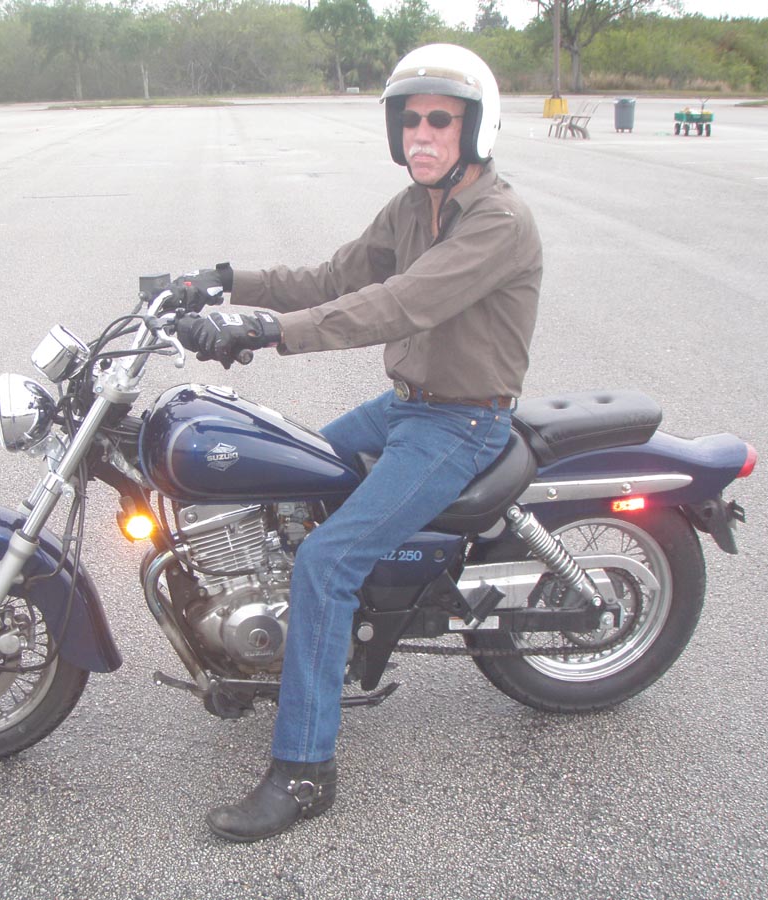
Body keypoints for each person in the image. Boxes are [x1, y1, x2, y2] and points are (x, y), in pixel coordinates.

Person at [167, 43, 542, 842]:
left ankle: (305, 771)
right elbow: (334, 278)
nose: (422, 134)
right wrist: (226, 282)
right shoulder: (412, 206)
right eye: (411, 120)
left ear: (476, 128)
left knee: (326, 560)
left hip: (462, 422)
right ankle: (271, 657)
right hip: (404, 406)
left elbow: (398, 304)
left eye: (440, 120)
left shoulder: (498, 221)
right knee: (280, 489)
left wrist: (269, 331)